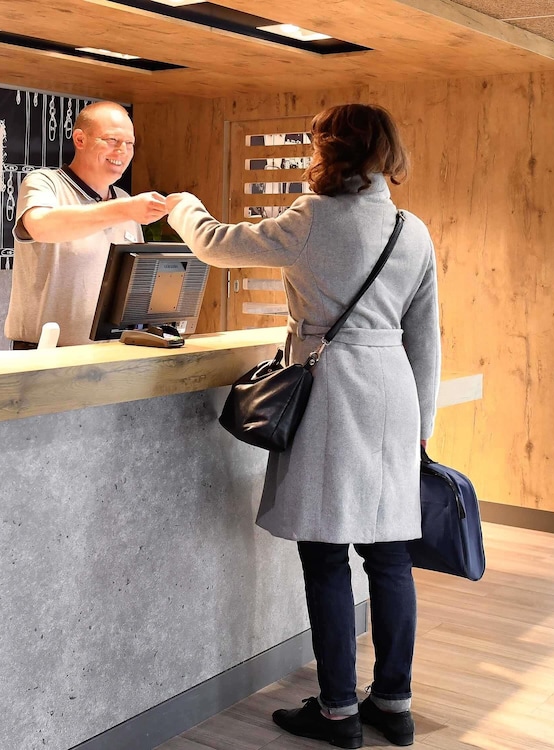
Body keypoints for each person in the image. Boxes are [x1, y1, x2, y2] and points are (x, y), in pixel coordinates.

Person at [165, 103, 440, 748]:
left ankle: (338, 711)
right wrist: (421, 427)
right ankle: (393, 704)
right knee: (390, 557)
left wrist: (184, 207)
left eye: (316, 143)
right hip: (394, 394)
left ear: (330, 150)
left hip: (332, 391)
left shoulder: (312, 218)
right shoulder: (412, 230)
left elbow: (217, 244)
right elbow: (426, 337)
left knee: (324, 554)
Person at [4, 101, 169, 348]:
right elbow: (41, 226)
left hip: (113, 353)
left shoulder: (124, 199)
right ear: (80, 140)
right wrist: (124, 209)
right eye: (112, 140)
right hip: (45, 353)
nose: (122, 151)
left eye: (130, 143)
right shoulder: (45, 183)